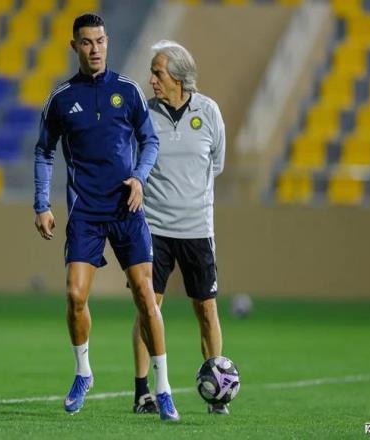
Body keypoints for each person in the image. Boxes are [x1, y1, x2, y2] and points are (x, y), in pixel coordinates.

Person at [33, 15, 179, 421]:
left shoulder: (127, 91)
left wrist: (139, 177)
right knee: (75, 295)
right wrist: (42, 204)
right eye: (86, 42)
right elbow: (44, 151)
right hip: (86, 212)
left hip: (126, 208)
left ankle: (164, 388)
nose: (95, 48)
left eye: (100, 41)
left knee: (146, 295)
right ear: (74, 47)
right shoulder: (61, 98)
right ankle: (83, 372)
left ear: (107, 42)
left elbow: (149, 140)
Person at [132, 40, 227, 415]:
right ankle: (143, 392)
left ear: (178, 77)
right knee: (148, 307)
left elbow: (216, 163)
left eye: (158, 73)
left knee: (206, 309)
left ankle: (217, 391)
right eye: (152, 73)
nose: (152, 80)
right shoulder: (145, 113)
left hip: (197, 229)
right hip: (153, 227)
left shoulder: (209, 111)